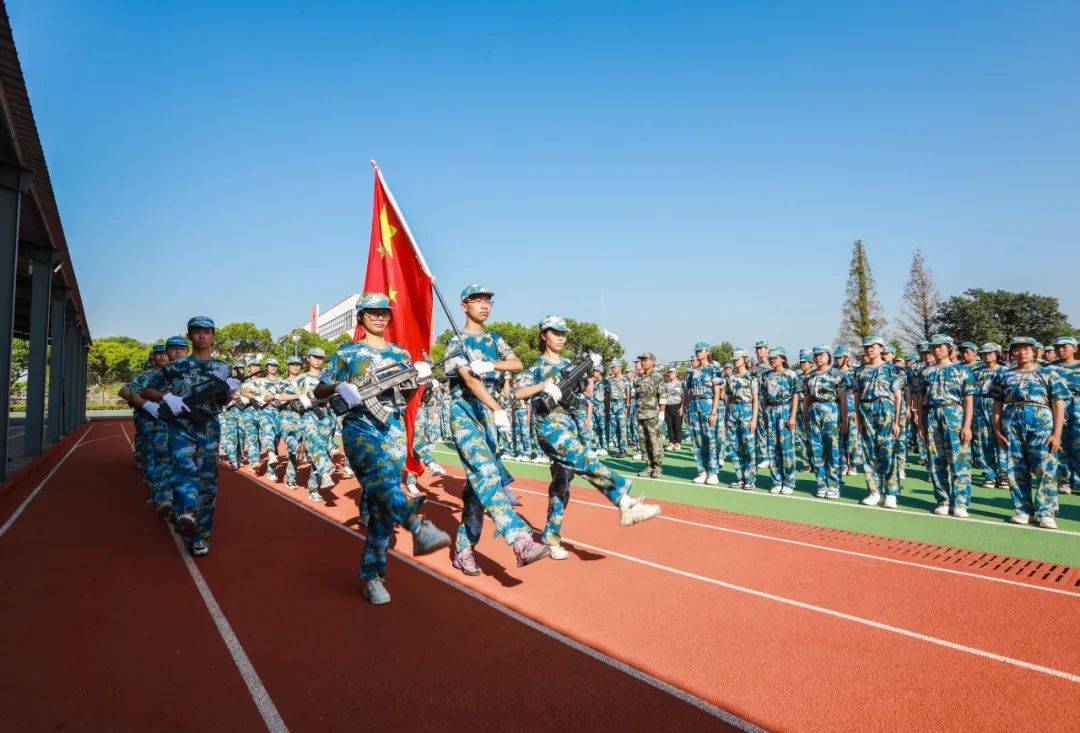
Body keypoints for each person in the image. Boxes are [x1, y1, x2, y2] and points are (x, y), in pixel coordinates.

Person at [314, 293, 450, 604]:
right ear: (361, 317)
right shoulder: (347, 352)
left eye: (384, 313)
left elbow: (408, 393)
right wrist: (339, 387)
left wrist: (419, 378)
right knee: (383, 483)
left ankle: (373, 575)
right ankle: (417, 524)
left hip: (394, 429)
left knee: (380, 506)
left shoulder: (400, 355)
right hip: (360, 427)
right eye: (372, 313)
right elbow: (319, 389)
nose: (379, 318)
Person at [515, 317, 660, 559]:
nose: (561, 337)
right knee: (584, 460)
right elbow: (519, 392)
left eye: (563, 333)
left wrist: (589, 374)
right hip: (549, 426)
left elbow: (587, 393)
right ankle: (625, 502)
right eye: (555, 332)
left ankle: (551, 539)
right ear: (543, 335)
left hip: (569, 425)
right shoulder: (536, 367)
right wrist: (543, 386)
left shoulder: (571, 364)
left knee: (561, 484)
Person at [443, 284, 550, 576]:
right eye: (477, 300)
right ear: (464, 306)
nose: (485, 305)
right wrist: (498, 407)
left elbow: (516, 363)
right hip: (465, 413)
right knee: (487, 475)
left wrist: (489, 364)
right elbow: (470, 382)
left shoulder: (494, 338)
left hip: (488, 416)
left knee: (478, 490)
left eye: (488, 300)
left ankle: (463, 549)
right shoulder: (456, 342)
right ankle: (520, 540)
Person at [141, 317, 240, 557]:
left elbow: (224, 401)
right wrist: (166, 398)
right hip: (180, 427)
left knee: (207, 482)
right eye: (197, 332)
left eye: (207, 332)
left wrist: (229, 391)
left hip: (208, 427)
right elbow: (146, 389)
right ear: (190, 336)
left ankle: (201, 535)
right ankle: (186, 512)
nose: (202, 336)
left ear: (213, 335)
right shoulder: (176, 367)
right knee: (183, 469)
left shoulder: (223, 368)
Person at [991, 337, 1070, 528]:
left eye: (1027, 349)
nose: (1022, 352)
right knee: (1016, 467)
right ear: (1012, 354)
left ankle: (1046, 512)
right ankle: (1023, 510)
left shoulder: (1049, 373)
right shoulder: (1004, 375)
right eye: (1017, 349)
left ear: (1035, 351)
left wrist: (1057, 434)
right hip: (1012, 419)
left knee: (1045, 465)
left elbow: (1058, 404)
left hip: (1041, 418)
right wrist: (997, 429)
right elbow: (997, 404)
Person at [920, 334, 976, 517]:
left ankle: (960, 502)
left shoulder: (962, 370)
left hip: (954, 413)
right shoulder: (926, 372)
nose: (937, 350)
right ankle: (943, 499)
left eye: (941, 346)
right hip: (931, 415)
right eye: (934, 347)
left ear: (950, 349)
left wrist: (967, 425)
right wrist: (921, 424)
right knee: (936, 460)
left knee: (959, 458)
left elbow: (968, 399)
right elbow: (921, 400)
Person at [849, 335, 905, 508]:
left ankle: (891, 493)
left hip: (885, 410)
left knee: (888, 452)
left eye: (873, 346)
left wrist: (897, 422)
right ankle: (874, 491)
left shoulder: (893, 369)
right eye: (866, 347)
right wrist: (857, 417)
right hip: (866, 411)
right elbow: (856, 395)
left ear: (881, 348)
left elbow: (898, 396)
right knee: (869, 452)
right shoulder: (859, 371)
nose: (869, 349)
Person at [119, 343, 170, 511]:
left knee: (167, 455)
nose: (162, 356)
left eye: (165, 353)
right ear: (152, 357)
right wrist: (143, 403)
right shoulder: (144, 376)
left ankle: (164, 492)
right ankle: (157, 491)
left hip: (169, 420)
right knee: (150, 454)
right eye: (158, 353)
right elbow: (124, 391)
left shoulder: (174, 375)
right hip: (147, 420)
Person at [802, 346, 847, 499]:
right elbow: (807, 397)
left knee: (833, 449)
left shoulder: (836, 374)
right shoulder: (810, 376)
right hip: (814, 411)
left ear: (828, 356)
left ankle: (833, 484)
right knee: (816, 449)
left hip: (831, 410)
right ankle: (821, 483)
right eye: (816, 355)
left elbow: (842, 399)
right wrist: (804, 416)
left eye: (821, 355)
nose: (818, 357)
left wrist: (844, 419)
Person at [760, 348, 800, 494]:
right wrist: (763, 415)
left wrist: (793, 416)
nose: (772, 360)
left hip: (785, 410)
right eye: (770, 358)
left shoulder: (790, 374)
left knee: (786, 448)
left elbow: (796, 395)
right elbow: (764, 397)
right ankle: (777, 480)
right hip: (770, 412)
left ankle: (789, 481)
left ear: (783, 358)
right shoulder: (766, 376)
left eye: (775, 358)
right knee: (772, 448)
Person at [684, 343, 721, 484]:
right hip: (694, 405)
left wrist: (713, 412)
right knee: (697, 440)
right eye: (697, 351)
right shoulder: (693, 371)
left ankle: (713, 472)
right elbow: (688, 392)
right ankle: (701, 470)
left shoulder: (713, 369)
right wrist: (687, 409)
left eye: (701, 351)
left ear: (707, 352)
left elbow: (717, 392)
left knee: (710, 439)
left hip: (708, 404)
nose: (698, 353)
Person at [973, 343, 1008, 489]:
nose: (987, 355)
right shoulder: (976, 371)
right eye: (984, 353)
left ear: (997, 354)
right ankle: (989, 474)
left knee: (1002, 438)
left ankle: (1004, 474)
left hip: (1000, 404)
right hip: (980, 403)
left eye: (990, 353)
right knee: (983, 440)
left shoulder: (1005, 371)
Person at [725, 349, 760, 489]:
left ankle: (750, 479)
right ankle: (740, 477)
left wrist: (754, 419)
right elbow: (729, 398)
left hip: (747, 411)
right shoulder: (731, 379)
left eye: (738, 359)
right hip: (733, 412)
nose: (735, 361)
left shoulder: (751, 377)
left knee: (749, 446)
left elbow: (755, 399)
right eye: (734, 359)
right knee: (734, 446)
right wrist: (727, 417)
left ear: (745, 359)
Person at [1051, 337, 1079, 495]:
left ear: (1074, 348)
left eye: (1064, 347)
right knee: (1060, 443)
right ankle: (1064, 480)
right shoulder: (1050, 369)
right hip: (1058, 406)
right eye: (1058, 347)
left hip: (1078, 406)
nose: (1060, 350)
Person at [633, 352, 666, 478]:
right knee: (643, 442)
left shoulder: (658, 377)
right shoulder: (639, 378)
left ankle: (657, 467)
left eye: (645, 360)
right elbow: (637, 396)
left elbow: (662, 396)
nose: (643, 362)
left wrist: (662, 414)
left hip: (653, 414)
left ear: (653, 361)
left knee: (654, 441)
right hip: (641, 414)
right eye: (641, 360)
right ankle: (648, 465)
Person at [607, 363, 631, 456]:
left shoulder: (625, 380)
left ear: (620, 368)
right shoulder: (611, 380)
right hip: (612, 404)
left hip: (621, 404)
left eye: (614, 367)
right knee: (614, 427)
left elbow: (628, 393)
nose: (612, 369)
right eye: (612, 367)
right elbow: (609, 393)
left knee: (622, 428)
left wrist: (627, 406)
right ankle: (618, 448)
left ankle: (624, 450)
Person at [660, 366, 684, 451]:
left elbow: (684, 396)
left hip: (677, 405)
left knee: (677, 425)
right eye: (669, 373)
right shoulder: (666, 385)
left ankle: (678, 443)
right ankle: (671, 442)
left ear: (676, 374)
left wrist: (682, 407)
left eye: (672, 373)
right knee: (669, 426)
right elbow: (663, 396)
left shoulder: (681, 384)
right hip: (667, 406)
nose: (670, 374)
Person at [590, 367, 609, 455]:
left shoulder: (605, 383)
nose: (594, 373)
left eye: (596, 371)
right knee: (595, 428)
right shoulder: (594, 383)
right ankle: (598, 446)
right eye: (594, 371)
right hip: (594, 408)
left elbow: (607, 397)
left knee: (603, 428)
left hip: (602, 408)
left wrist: (607, 409)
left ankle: (605, 447)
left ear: (600, 372)